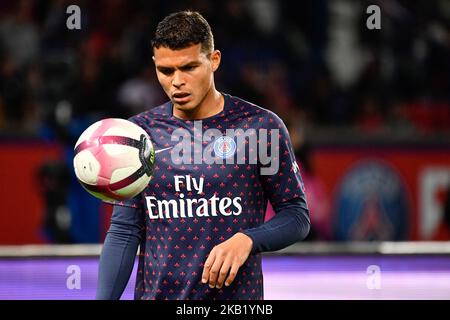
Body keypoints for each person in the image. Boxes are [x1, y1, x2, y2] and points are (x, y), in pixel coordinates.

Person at [96, 10, 310, 300]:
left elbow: (296, 216)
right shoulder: (139, 135)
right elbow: (124, 231)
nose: (177, 82)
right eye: (166, 71)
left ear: (214, 60)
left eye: (189, 67)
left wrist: (249, 239)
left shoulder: (260, 128)